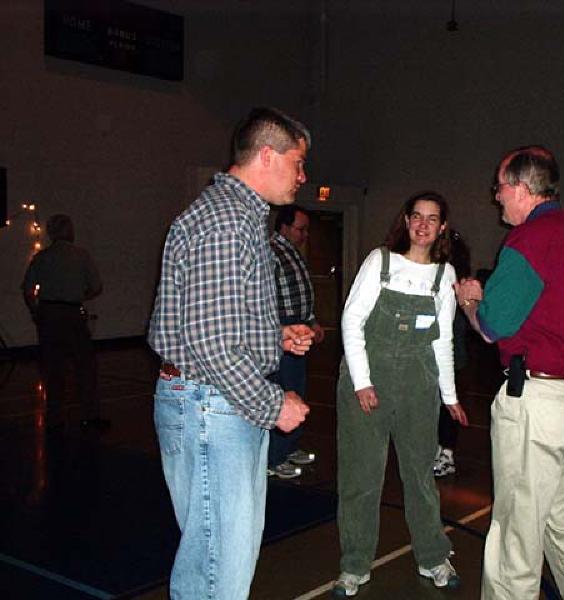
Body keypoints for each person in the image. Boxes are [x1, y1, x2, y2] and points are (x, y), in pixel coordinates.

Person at [148, 107, 314, 600]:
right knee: (221, 564)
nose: (304, 176)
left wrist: (274, 334)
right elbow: (213, 345)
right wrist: (273, 404)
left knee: (210, 555)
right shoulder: (227, 222)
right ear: (267, 155)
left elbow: (211, 322)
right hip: (213, 407)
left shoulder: (237, 216)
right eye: (298, 163)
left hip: (208, 401)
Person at [454, 145, 564, 599]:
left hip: (541, 408)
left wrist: (471, 300)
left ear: (520, 188)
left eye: (499, 189)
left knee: (517, 538)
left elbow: (493, 327)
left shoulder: (530, 240)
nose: (496, 199)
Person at [334, 191, 468, 597]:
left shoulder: (445, 276)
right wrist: (362, 382)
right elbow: (351, 321)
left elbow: (441, 341)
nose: (423, 225)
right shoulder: (381, 261)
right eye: (416, 216)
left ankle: (432, 558)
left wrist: (450, 395)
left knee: (420, 476)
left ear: (442, 227)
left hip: (418, 386)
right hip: (368, 382)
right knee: (361, 478)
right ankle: (354, 565)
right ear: (406, 220)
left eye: (432, 219)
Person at [21, 214, 105, 431]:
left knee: (53, 368)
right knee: (84, 366)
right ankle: (89, 414)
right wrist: (78, 294)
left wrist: (36, 311)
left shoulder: (42, 257)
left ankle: (55, 417)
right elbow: (96, 287)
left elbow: (28, 289)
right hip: (72, 313)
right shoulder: (81, 256)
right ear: (69, 230)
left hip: (48, 314)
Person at [268, 205, 325, 479]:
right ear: (284, 227)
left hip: (299, 327)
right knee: (282, 389)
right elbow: (268, 298)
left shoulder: (292, 253)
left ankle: (289, 447)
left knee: (297, 389)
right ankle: (273, 457)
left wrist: (312, 321)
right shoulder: (270, 252)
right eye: (300, 229)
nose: (304, 235)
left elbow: (300, 292)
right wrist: (280, 329)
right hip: (281, 330)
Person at [433, 229, 471, 478]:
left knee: (447, 403)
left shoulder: (454, 280)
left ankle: (445, 452)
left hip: (451, 351)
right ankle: (439, 450)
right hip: (435, 351)